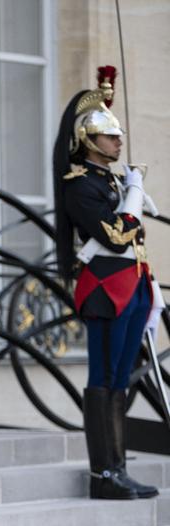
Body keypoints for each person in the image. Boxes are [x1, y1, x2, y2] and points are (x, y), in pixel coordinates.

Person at [53, 66, 160, 500]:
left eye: (117, 136)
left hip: (133, 287)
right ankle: (103, 475)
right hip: (105, 291)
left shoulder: (111, 182)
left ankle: (119, 467)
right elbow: (115, 235)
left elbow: (134, 237)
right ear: (88, 140)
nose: (118, 142)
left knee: (121, 380)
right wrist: (133, 197)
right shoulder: (79, 186)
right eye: (110, 136)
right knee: (105, 377)